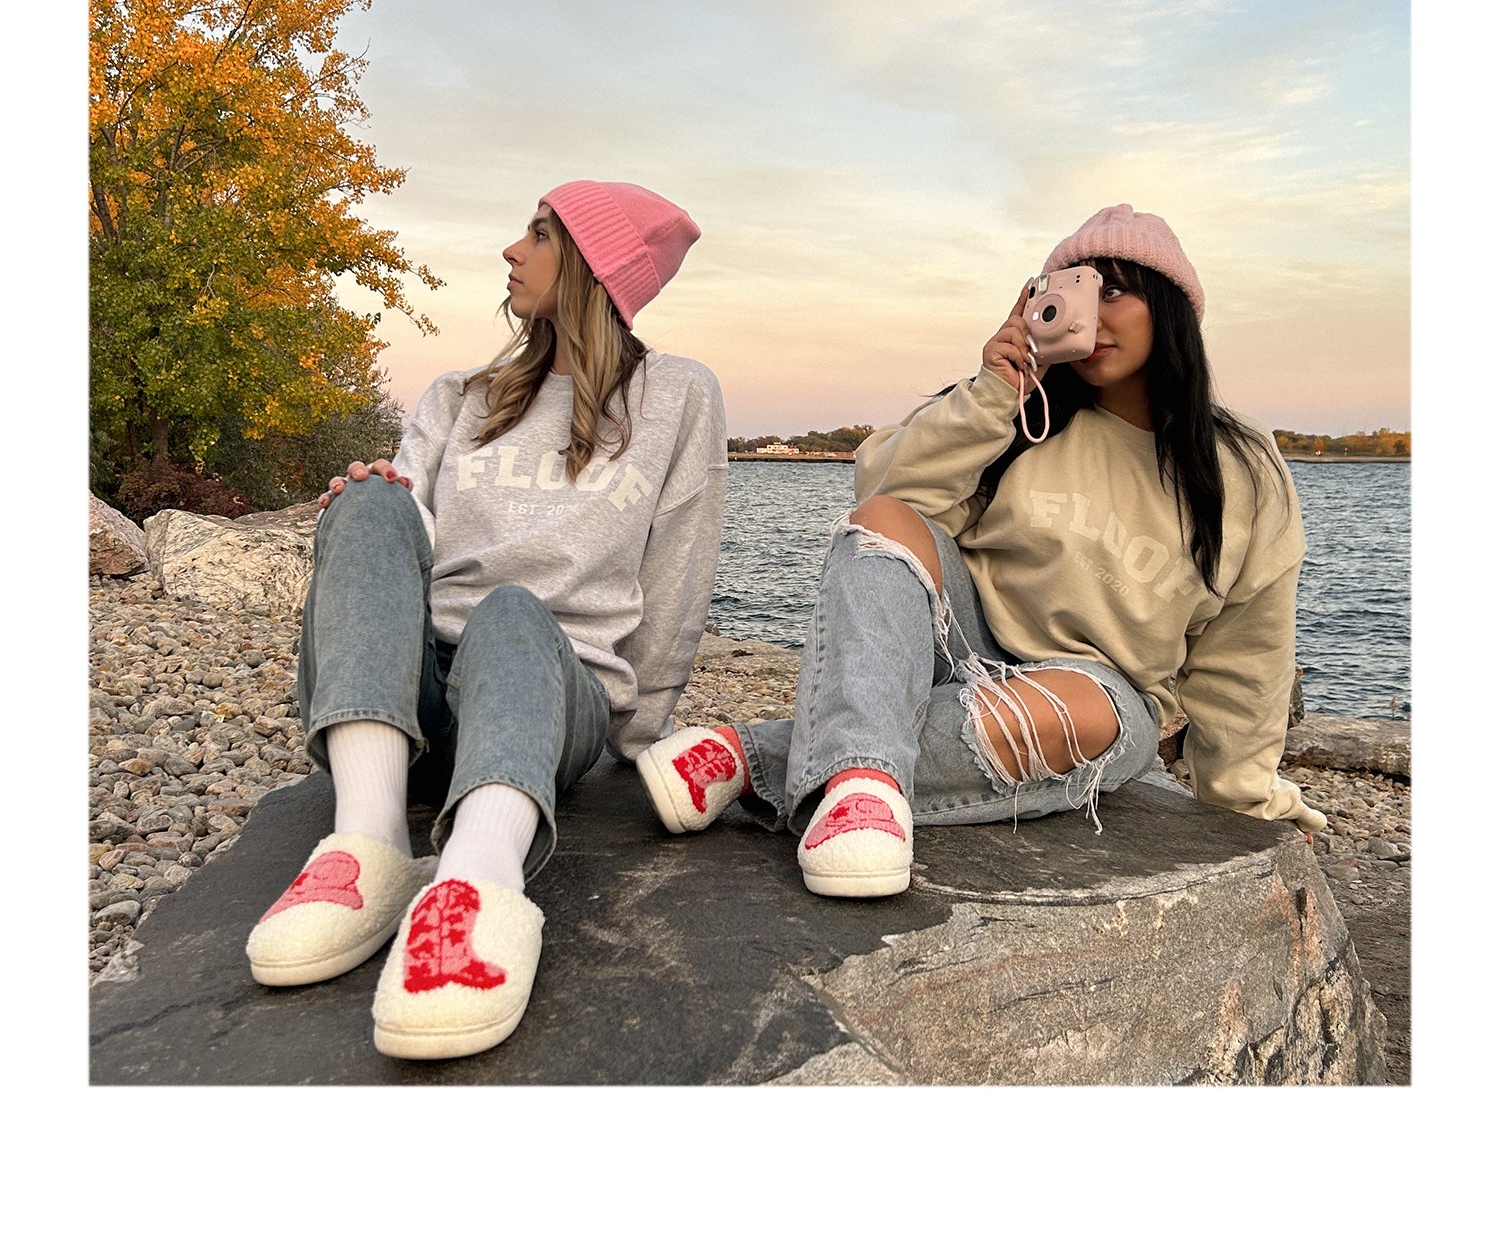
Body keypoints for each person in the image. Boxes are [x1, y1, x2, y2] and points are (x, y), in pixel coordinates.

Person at [634, 203, 1322, 898]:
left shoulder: (1239, 467)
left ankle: (755, 759)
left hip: (1101, 694)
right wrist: (997, 389)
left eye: (1115, 291)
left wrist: (1242, 805)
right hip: (960, 647)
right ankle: (861, 793)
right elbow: (883, 499)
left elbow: (1248, 653)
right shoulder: (1021, 414)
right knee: (884, 517)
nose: (1092, 312)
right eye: (1068, 289)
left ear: (1171, 309)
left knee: (1082, 709)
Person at [246, 181, 726, 1058]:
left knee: (514, 609)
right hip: (424, 692)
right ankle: (370, 838)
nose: (513, 250)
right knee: (365, 497)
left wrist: (637, 732)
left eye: (539, 235)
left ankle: (480, 873)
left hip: (553, 690)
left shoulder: (679, 397)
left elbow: (681, 568)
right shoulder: (462, 394)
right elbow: (414, 535)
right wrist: (373, 511)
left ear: (591, 266)